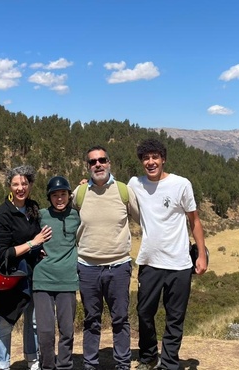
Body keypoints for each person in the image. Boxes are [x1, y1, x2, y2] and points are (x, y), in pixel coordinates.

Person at [127, 139, 208, 370]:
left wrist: (201, 255)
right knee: (144, 312)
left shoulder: (181, 184)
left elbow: (195, 221)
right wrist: (88, 183)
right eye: (146, 158)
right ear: (142, 162)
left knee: (175, 317)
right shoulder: (136, 183)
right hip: (150, 262)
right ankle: (149, 357)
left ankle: (170, 363)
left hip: (179, 263)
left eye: (155, 157)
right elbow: (113, 188)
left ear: (163, 159)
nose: (150, 162)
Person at [74, 145, 140, 370]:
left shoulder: (123, 191)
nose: (98, 164)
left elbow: (145, 220)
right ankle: (90, 364)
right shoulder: (79, 193)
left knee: (120, 320)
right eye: (93, 162)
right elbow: (65, 220)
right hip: (87, 268)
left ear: (109, 163)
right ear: (88, 167)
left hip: (118, 267)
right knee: (91, 321)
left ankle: (122, 364)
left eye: (102, 160)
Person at [0, 165, 53, 370]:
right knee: (6, 323)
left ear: (30, 185)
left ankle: (33, 360)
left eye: (24, 183)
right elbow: (4, 253)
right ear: (9, 186)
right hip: (11, 278)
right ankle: (2, 365)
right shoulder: (3, 215)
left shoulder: (32, 208)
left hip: (32, 274)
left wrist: (37, 251)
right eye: (16, 184)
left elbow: (33, 240)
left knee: (33, 321)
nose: (20, 188)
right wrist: (34, 243)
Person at [33, 176, 81, 370]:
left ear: (69, 195)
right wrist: (35, 248)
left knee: (67, 330)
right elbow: (23, 232)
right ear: (49, 197)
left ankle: (65, 366)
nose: (59, 198)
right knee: (45, 331)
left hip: (68, 279)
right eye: (55, 195)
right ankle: (47, 366)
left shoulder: (77, 216)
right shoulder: (40, 215)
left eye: (63, 194)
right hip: (42, 278)